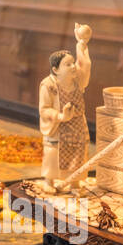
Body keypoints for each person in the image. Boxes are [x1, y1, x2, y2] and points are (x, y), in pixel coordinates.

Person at [39, 23, 91, 186]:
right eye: (67, 65)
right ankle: (49, 182)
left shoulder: (78, 81)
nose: (73, 67)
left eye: (73, 63)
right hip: (58, 127)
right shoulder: (48, 85)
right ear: (55, 69)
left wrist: (81, 45)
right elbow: (44, 109)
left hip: (76, 126)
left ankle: (75, 182)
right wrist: (60, 116)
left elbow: (86, 65)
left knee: (79, 153)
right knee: (53, 153)